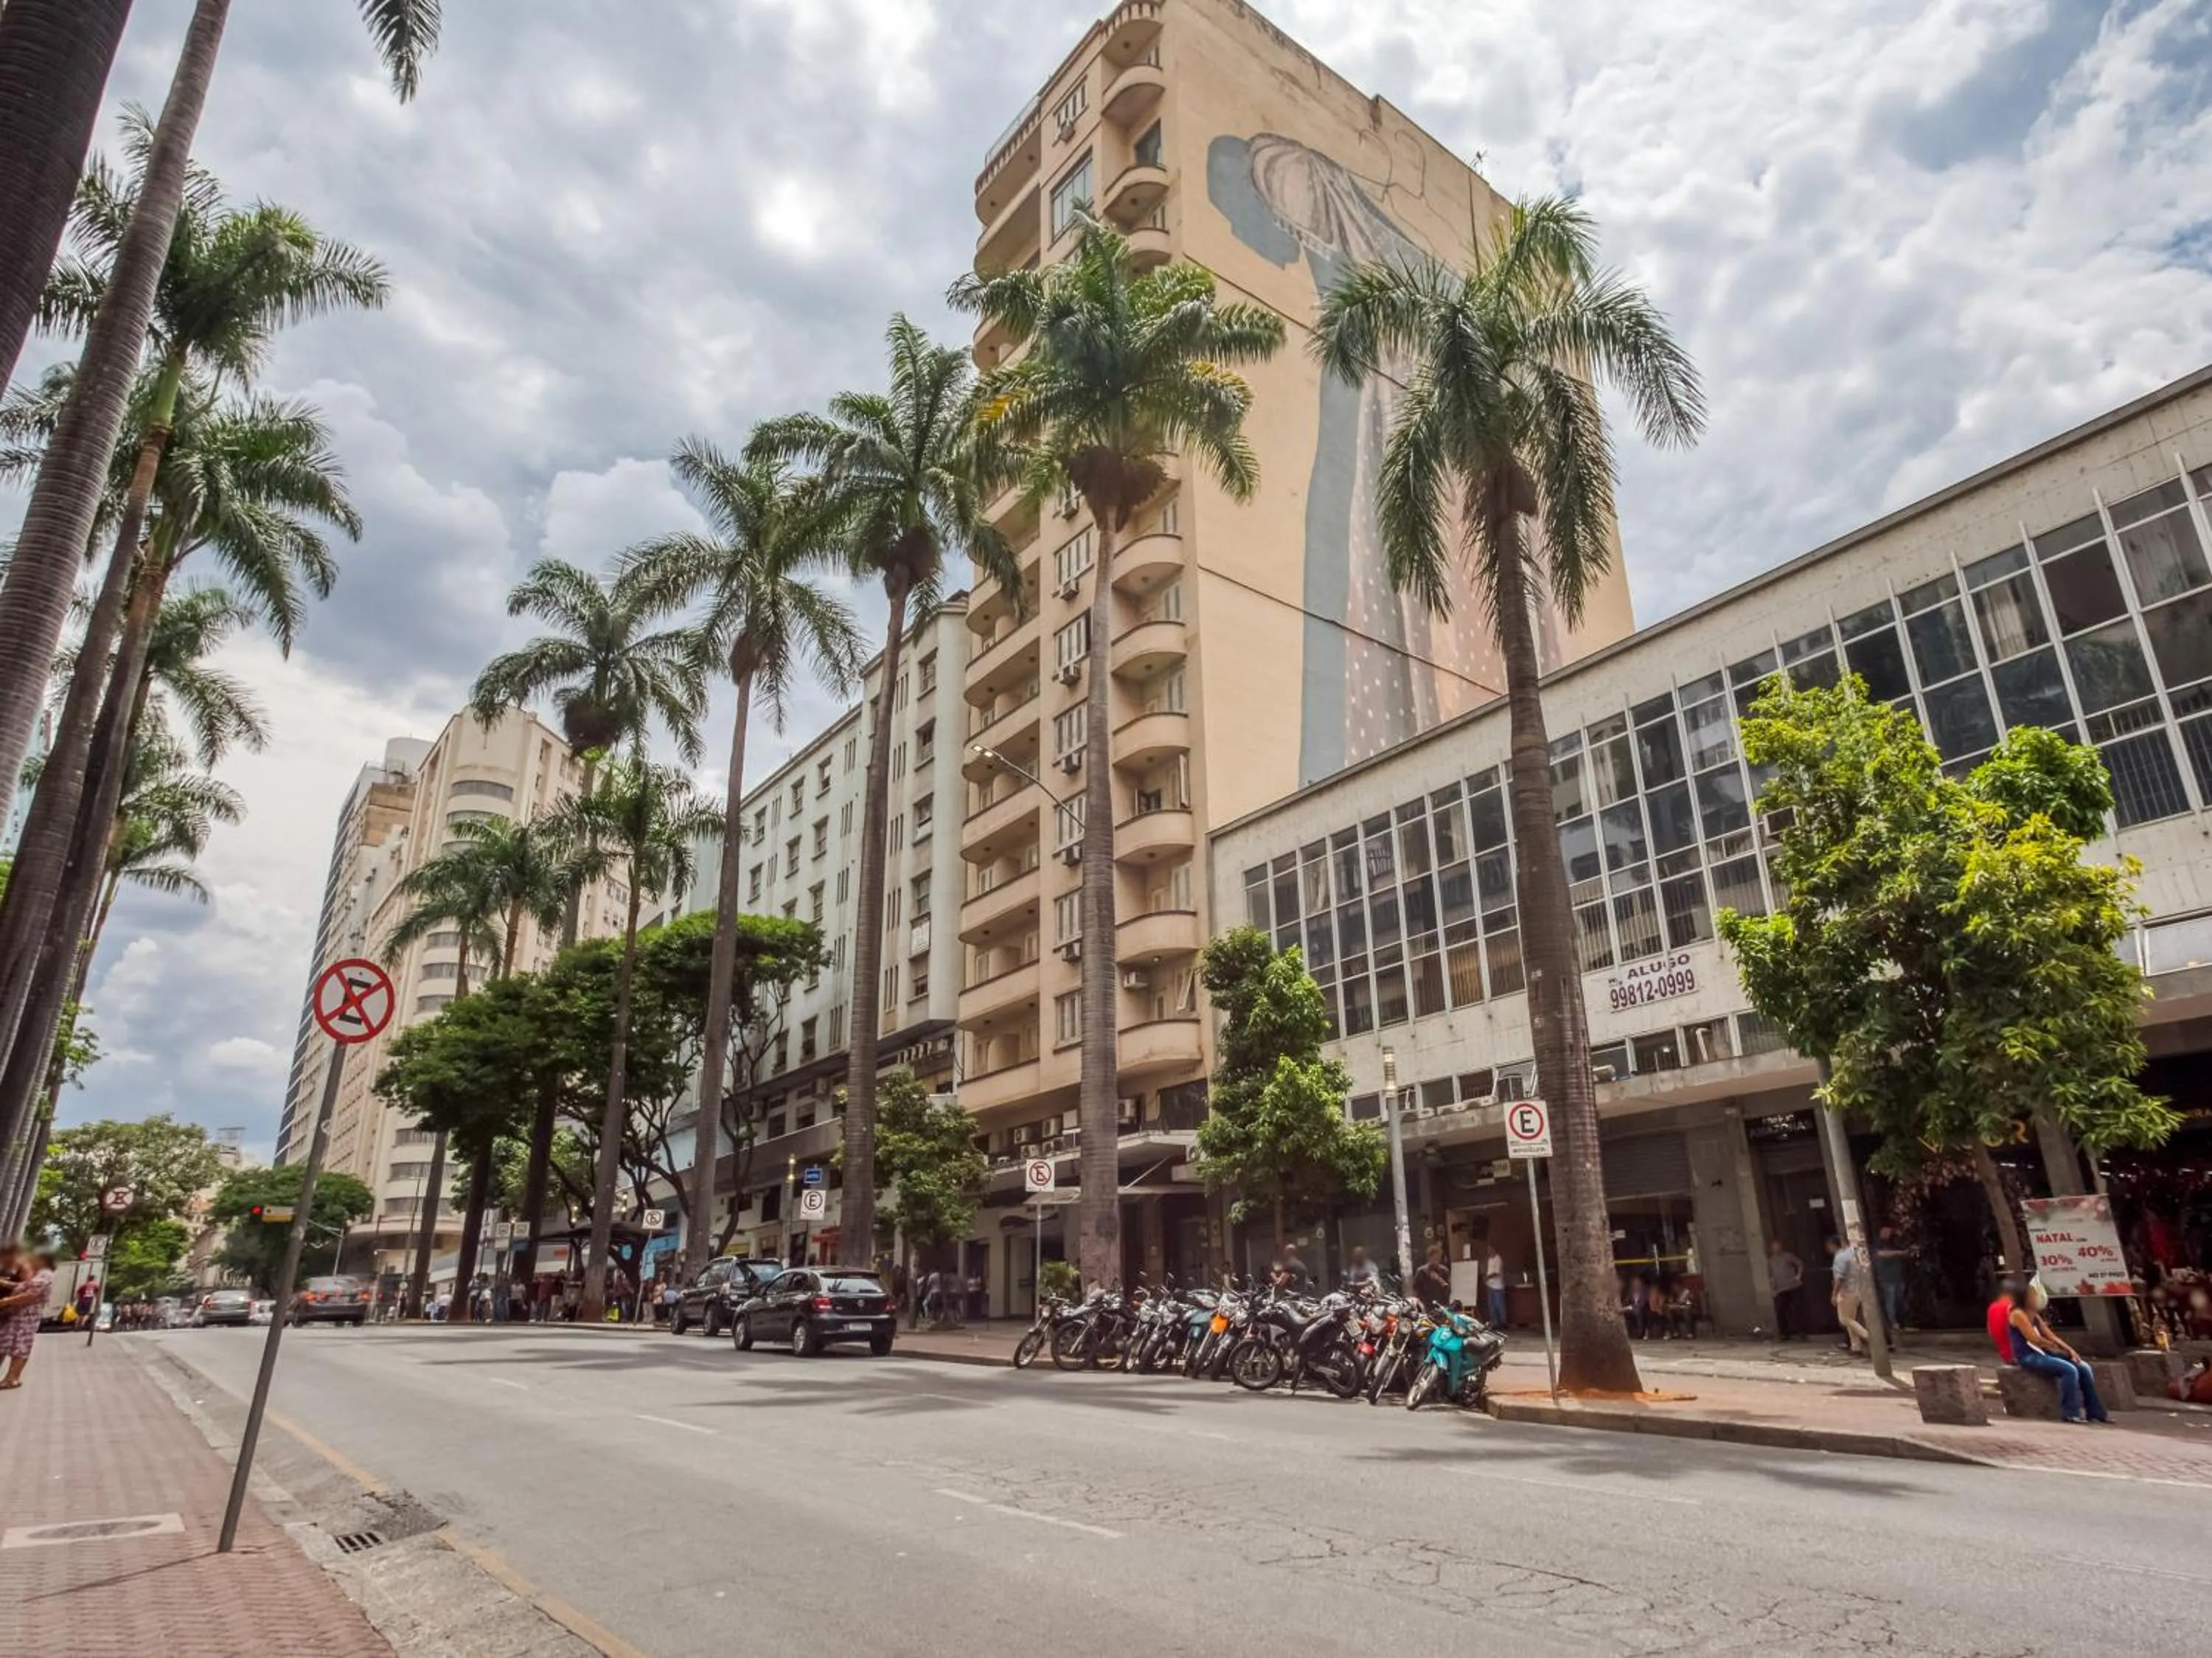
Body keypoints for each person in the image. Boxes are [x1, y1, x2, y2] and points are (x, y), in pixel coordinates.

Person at [2003, 1280, 2110, 1424]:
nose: (2038, 1300)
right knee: (2069, 1370)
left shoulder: (2034, 1315)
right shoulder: (2018, 1314)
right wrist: (2053, 1345)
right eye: (2034, 1296)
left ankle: (2096, 1412)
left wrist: (2070, 1350)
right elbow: (2034, 1339)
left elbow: (2050, 1335)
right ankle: (2070, 1413)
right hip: (2029, 1356)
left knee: (2084, 1368)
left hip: (2044, 1353)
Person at [0, 1248, 56, 1389]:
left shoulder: (45, 1275)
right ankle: (13, 1378)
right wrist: (5, 1284)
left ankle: (11, 1379)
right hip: (22, 1315)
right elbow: (24, 1286)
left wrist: (6, 1301)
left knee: (20, 1346)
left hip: (26, 1316)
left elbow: (31, 1294)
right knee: (17, 1345)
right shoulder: (40, 1274)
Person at [1828, 1234, 1868, 1356]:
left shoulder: (1840, 1257)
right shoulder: (1852, 1255)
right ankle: (1856, 1347)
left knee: (1845, 1319)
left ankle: (1867, 1336)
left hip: (1846, 1292)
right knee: (1851, 1319)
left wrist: (1834, 1294)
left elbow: (1840, 1278)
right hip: (1857, 1290)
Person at [1873, 1226, 1910, 1333]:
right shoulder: (1878, 1243)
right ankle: (1893, 1324)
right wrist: (1898, 1253)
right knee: (1890, 1301)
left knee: (1900, 1302)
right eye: (1886, 1231)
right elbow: (1880, 1254)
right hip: (1886, 1278)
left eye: (1890, 1231)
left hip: (1897, 1277)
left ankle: (1902, 1323)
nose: (1888, 1233)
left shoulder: (1894, 1243)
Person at [1767, 1239, 1804, 1341]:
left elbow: (1800, 1264)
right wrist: (1773, 1289)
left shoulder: (1788, 1256)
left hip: (1793, 1286)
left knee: (1796, 1310)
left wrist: (1798, 1276)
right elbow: (1771, 1276)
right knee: (1781, 1311)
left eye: (1778, 1247)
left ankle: (1801, 1331)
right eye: (1774, 1248)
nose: (1776, 1249)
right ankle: (1784, 1333)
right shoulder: (1771, 1260)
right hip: (1780, 1289)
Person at [1413, 1243, 1452, 1309]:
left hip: (1442, 1305)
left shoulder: (1444, 1271)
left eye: (1437, 1259)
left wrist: (1439, 1279)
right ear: (1429, 1258)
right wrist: (1422, 1302)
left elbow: (1448, 1289)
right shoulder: (1421, 1271)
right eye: (1433, 1259)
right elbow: (1416, 1289)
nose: (1435, 1261)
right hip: (1427, 1306)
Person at [1483, 1245, 1508, 1330]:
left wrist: (1488, 1277)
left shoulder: (1498, 1259)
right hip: (1490, 1285)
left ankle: (1503, 1323)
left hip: (1498, 1286)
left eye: (1490, 1250)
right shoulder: (1490, 1259)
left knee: (1499, 1305)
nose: (1488, 1252)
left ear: (1494, 1249)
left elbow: (1497, 1273)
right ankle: (1495, 1323)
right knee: (1492, 1306)